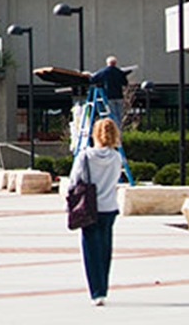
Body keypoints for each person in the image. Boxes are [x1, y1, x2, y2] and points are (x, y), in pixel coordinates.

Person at [69, 117, 124, 306]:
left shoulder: (85, 156)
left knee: (91, 250)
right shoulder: (117, 157)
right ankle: (104, 287)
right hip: (110, 207)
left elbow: (74, 180)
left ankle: (96, 292)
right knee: (105, 249)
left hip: (90, 207)